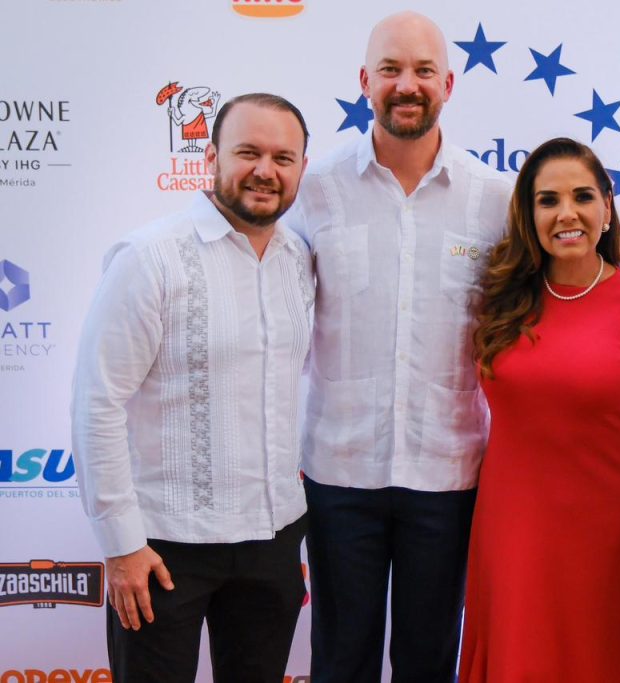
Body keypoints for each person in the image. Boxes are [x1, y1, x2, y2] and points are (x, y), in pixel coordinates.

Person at [288, 11, 511, 683]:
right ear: (365, 81)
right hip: (339, 474)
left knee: (428, 661)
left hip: (447, 476)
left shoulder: (495, 200)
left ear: (448, 84)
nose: (406, 84)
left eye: (422, 71)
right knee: (340, 661)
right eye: (390, 69)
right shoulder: (315, 190)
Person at [71, 93, 313, 683]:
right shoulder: (150, 257)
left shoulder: (300, 260)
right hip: (162, 547)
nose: (265, 170)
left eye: (283, 157)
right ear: (211, 157)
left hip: (273, 541)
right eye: (248, 152)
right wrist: (121, 544)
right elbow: (97, 403)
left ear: (302, 168)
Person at [459, 137, 620, 681]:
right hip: (511, 529)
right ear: (529, 216)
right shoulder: (500, 300)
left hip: (610, 538)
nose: (566, 213)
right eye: (548, 200)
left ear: (607, 208)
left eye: (582, 196)